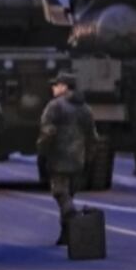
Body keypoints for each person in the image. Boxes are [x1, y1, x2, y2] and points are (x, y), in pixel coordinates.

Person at [37, 72, 98, 245]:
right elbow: (92, 137)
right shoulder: (85, 108)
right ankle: (66, 235)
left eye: (56, 85)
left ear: (64, 87)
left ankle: (72, 218)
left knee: (60, 194)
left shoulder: (55, 106)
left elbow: (47, 132)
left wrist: (42, 150)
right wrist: (89, 158)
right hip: (78, 159)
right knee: (69, 194)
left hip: (59, 158)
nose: (53, 87)